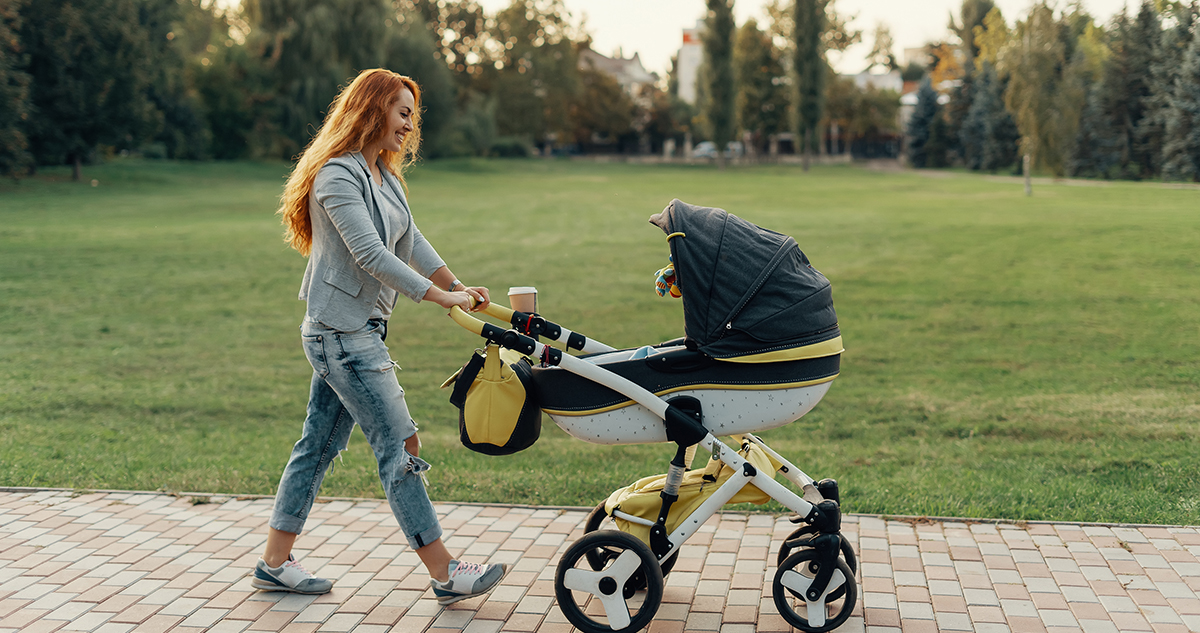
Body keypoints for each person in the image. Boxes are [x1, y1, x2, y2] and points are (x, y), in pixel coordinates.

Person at [253, 68, 508, 606]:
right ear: (373, 111)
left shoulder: (384, 176)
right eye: (403, 112)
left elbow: (410, 240)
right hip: (341, 335)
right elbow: (370, 254)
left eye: (412, 115)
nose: (410, 126)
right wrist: (437, 299)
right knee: (401, 444)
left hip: (354, 332)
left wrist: (456, 286)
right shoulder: (336, 176)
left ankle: (274, 563)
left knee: (316, 447)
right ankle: (445, 572)